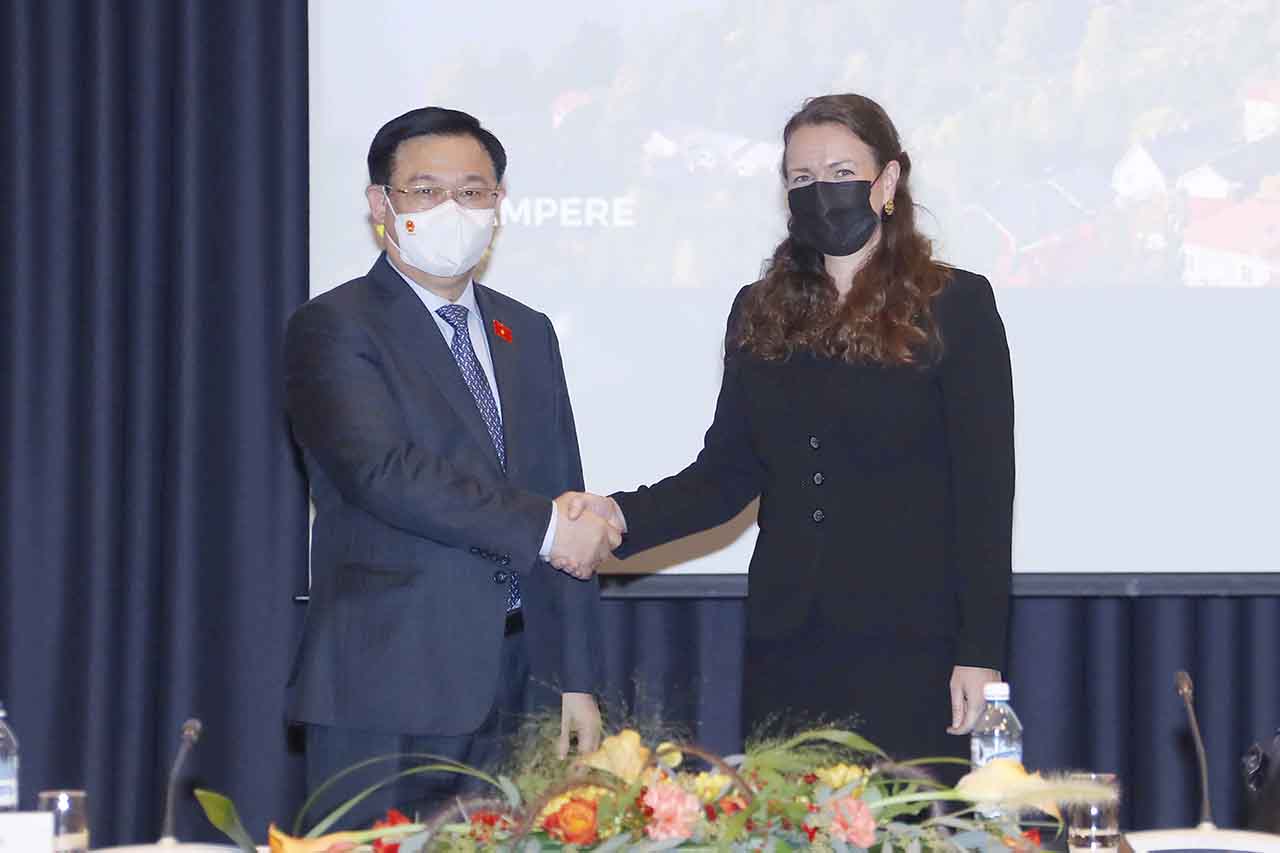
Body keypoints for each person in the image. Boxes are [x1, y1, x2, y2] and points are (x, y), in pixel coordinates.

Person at [568, 94, 1014, 764]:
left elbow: (985, 492)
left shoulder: (955, 304)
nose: (820, 192)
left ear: (888, 181)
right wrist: (615, 516)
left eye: (841, 172)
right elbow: (725, 476)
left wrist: (980, 652)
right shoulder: (759, 309)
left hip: (915, 647)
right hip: (788, 644)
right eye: (802, 178)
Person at [283, 107, 618, 822]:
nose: (452, 210)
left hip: (521, 684)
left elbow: (563, 492)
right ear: (381, 205)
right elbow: (383, 472)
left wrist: (576, 678)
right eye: (426, 191)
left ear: (498, 204)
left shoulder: (527, 330)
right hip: (385, 686)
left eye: (472, 192)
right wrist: (547, 526)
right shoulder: (335, 325)